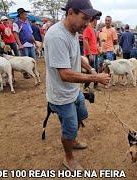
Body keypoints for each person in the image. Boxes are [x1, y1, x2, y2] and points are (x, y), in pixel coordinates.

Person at [44, 0, 110, 170]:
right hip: (61, 95)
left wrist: (91, 70)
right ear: (70, 12)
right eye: (84, 18)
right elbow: (65, 74)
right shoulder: (57, 36)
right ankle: (69, 158)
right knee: (71, 126)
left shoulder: (73, 32)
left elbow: (77, 57)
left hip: (73, 90)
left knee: (82, 114)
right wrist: (95, 79)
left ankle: (72, 139)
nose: (87, 23)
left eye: (89, 19)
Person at [83, 14, 102, 89]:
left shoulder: (93, 29)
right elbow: (85, 41)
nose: (96, 22)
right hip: (91, 53)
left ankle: (95, 85)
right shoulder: (88, 28)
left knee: (95, 69)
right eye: (96, 20)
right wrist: (90, 53)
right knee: (91, 70)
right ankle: (86, 86)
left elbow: (94, 42)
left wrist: (97, 50)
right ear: (93, 20)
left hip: (95, 53)